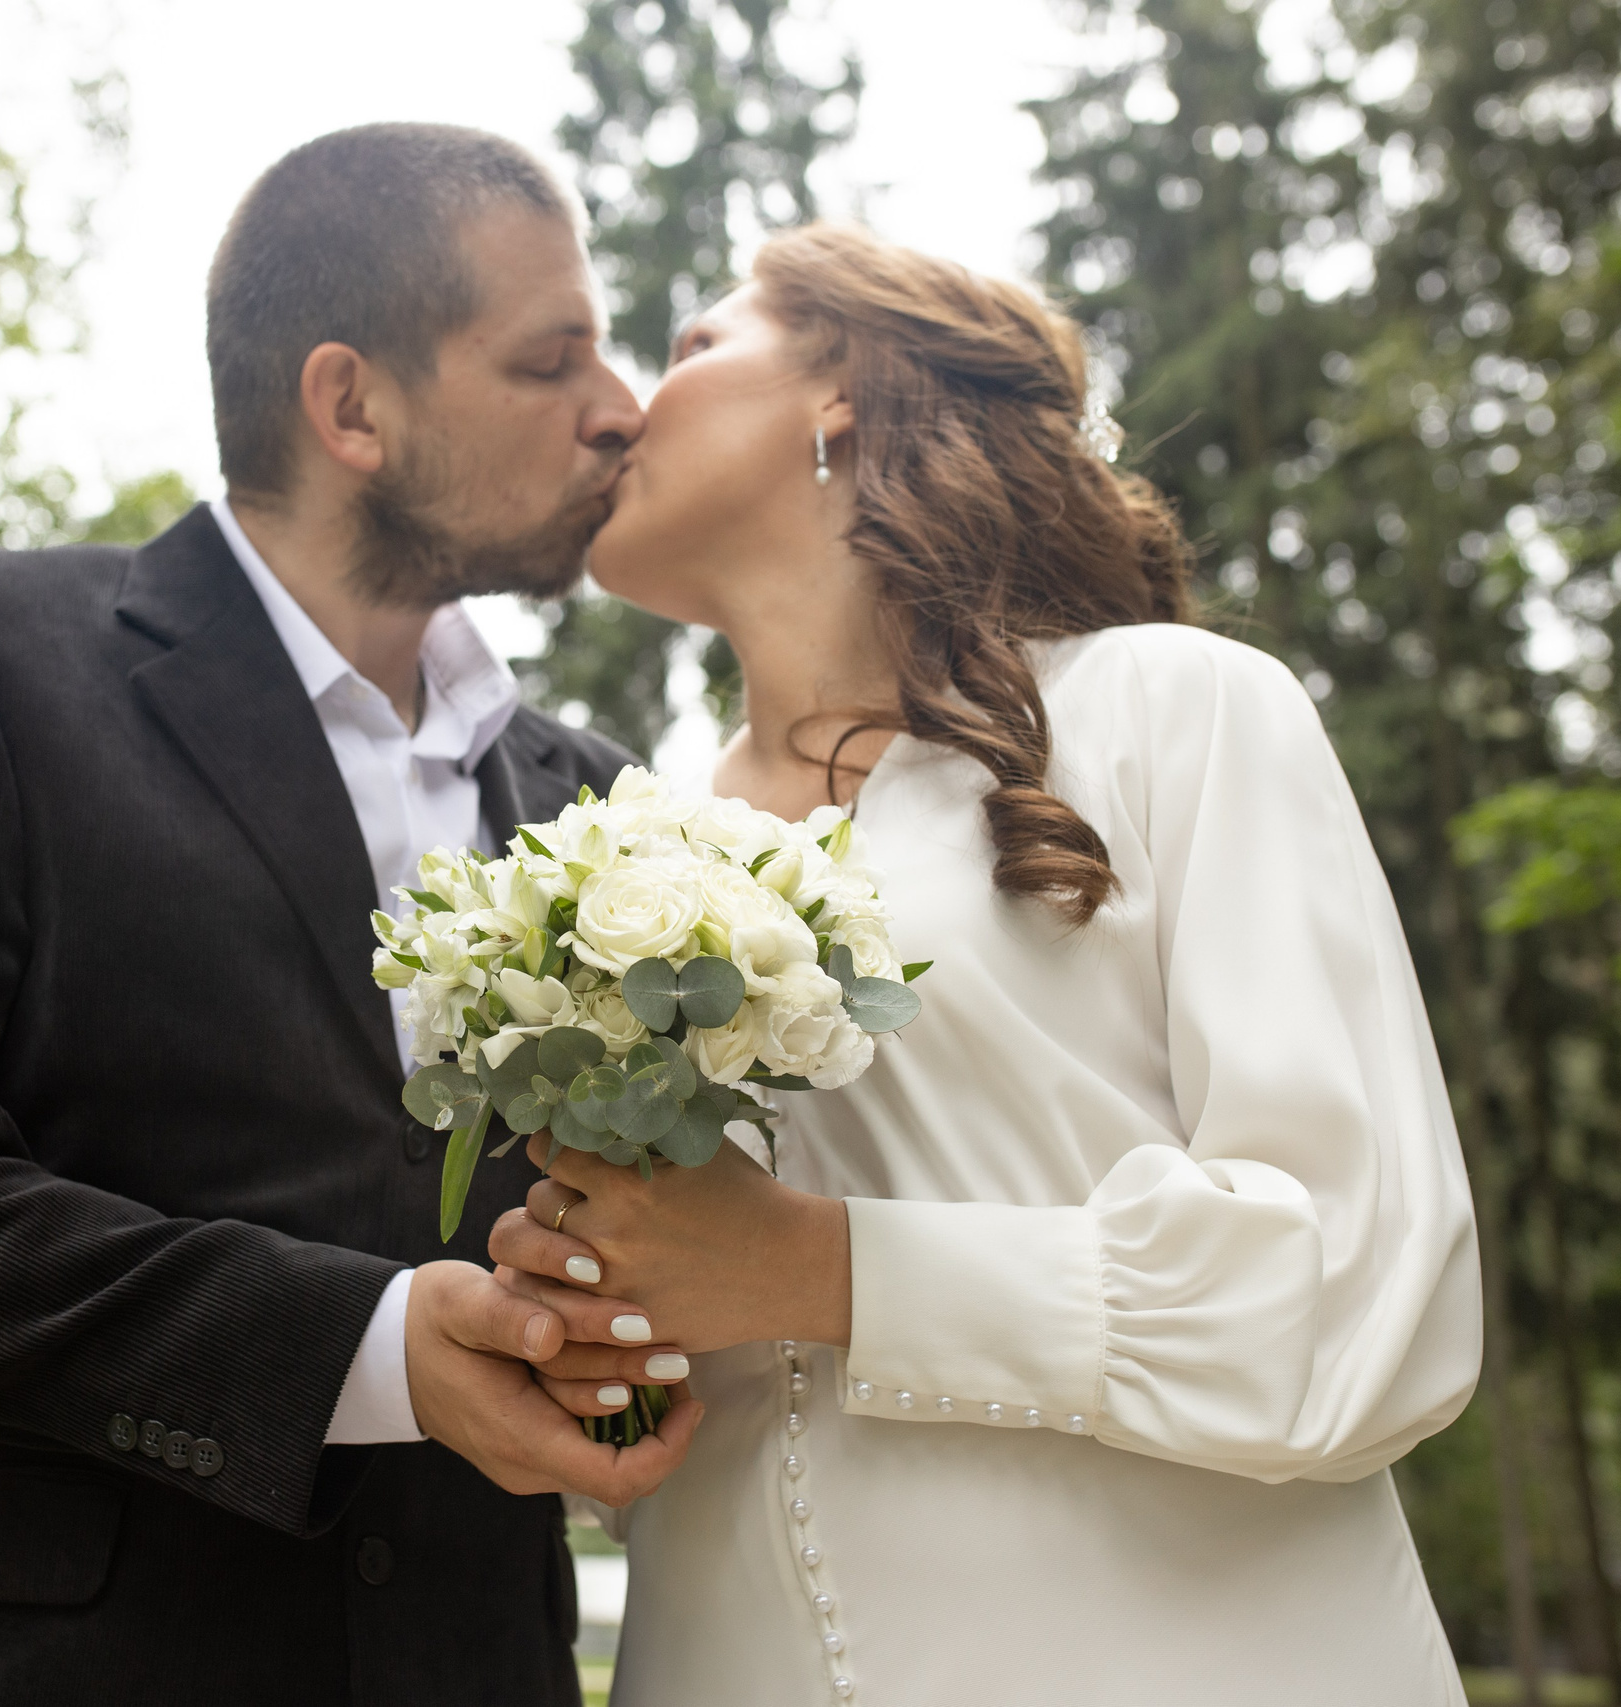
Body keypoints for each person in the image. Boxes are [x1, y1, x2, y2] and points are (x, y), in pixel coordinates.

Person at [0, 124, 702, 1707]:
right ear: (350, 405)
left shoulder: (607, 805)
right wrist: (358, 1349)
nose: (621, 408)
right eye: (551, 359)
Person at [487, 224, 1483, 1704]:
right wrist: (591, 1318)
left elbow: (1359, 1300)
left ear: (846, 392)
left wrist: (822, 1268)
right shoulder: (621, 858)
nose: (625, 405)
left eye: (693, 345)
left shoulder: (1173, 710)